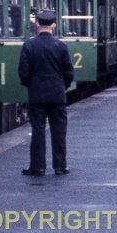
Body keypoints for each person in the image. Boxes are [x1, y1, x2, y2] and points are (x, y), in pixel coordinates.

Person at [18, 10, 74, 176]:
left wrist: (31, 85)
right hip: (57, 94)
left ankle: (38, 167)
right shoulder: (61, 46)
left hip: (37, 95)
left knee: (38, 130)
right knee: (59, 131)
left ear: (37, 25)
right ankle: (60, 166)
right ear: (54, 26)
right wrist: (63, 85)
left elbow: (23, 71)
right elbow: (69, 72)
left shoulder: (29, 45)